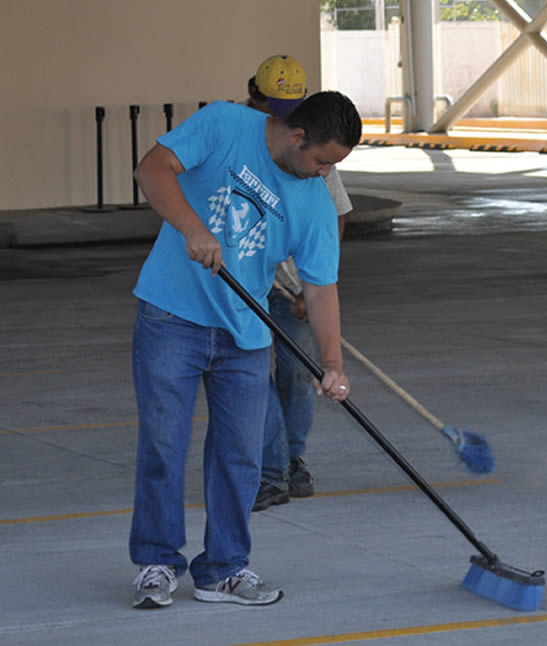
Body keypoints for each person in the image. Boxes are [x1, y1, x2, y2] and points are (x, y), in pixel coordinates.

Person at [128, 86, 362, 609]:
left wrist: (332, 363)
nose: (325, 173)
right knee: (164, 446)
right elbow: (153, 169)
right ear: (298, 136)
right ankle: (157, 563)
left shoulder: (315, 203)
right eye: (322, 161)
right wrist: (192, 227)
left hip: (246, 333)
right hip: (172, 317)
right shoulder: (224, 125)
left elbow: (321, 287)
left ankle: (223, 570)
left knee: (241, 456)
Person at [243, 55, 354, 512]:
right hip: (244, 283)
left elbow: (334, 221)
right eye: (271, 105)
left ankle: (293, 458)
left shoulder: (317, 155)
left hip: (292, 287)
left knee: (297, 372)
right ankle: (269, 471)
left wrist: (316, 284)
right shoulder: (241, 144)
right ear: (254, 99)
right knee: (252, 374)